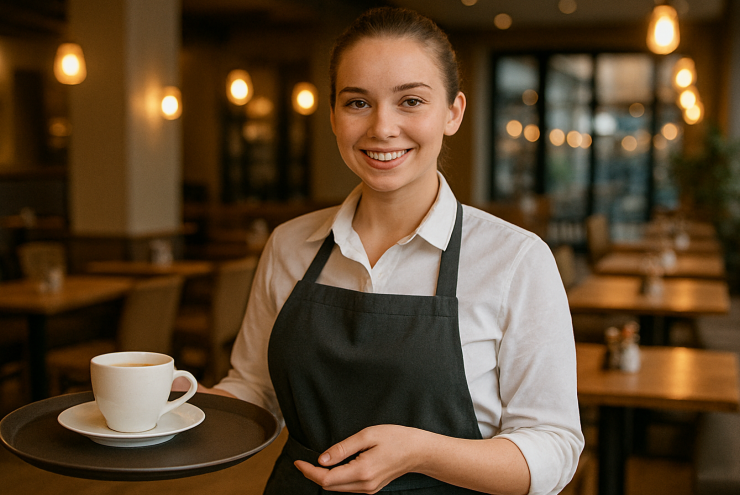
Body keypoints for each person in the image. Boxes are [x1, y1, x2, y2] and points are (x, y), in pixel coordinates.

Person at [194, 7, 584, 494]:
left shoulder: (516, 260)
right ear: (334, 115)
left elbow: (555, 447)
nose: (382, 127)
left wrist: (423, 453)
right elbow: (255, 388)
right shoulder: (289, 244)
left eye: (411, 101)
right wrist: (195, 405)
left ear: (453, 113)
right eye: (358, 103)